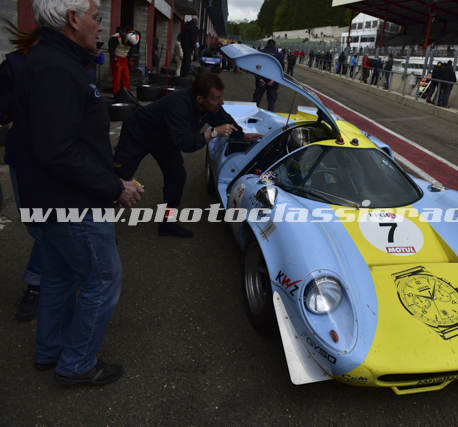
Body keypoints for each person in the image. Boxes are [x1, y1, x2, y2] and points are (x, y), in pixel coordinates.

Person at [12, 0, 144, 385]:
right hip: (72, 203)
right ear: (73, 19)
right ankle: (76, 364)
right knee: (103, 280)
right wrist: (114, 187)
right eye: (96, 18)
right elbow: (58, 150)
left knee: (59, 276)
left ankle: (50, 351)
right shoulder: (57, 69)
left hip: (50, 200)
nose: (100, 26)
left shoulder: (51, 61)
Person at [114, 72, 262, 238]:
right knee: (118, 178)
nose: (221, 102)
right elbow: (186, 144)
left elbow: (224, 119)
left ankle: (167, 223)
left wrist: (242, 135)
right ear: (200, 99)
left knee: (177, 177)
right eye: (216, 99)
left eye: (221, 97)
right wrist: (213, 133)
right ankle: (100, 225)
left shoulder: (211, 106)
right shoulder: (178, 105)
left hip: (166, 138)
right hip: (138, 134)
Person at [1, 24, 43, 322]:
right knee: (39, 228)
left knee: (52, 226)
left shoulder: (80, 65)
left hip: (65, 162)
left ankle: (37, 284)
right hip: (26, 160)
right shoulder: (14, 66)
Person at [253, 39, 284, 112]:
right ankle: (270, 116)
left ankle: (252, 115)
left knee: (256, 101)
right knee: (271, 103)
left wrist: (259, 78)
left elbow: (256, 66)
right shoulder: (279, 55)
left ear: (267, 44)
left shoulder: (260, 52)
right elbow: (281, 69)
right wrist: (274, 80)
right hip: (273, 80)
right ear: (275, 45)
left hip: (261, 79)